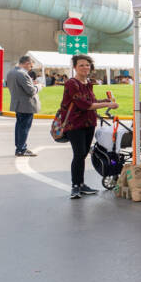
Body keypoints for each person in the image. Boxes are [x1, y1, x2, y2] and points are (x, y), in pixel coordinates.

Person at [59, 54, 119, 199]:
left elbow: (91, 101)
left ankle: (81, 185)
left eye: (87, 65)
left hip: (89, 123)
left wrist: (107, 100)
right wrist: (107, 104)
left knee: (83, 154)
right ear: (75, 67)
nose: (85, 67)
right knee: (79, 154)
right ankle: (75, 186)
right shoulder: (72, 83)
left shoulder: (88, 83)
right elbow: (84, 105)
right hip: (75, 124)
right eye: (81, 65)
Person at [6, 55, 40, 157]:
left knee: (19, 127)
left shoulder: (11, 72)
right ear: (27, 63)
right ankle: (21, 149)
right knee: (24, 128)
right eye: (31, 65)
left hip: (18, 103)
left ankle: (20, 147)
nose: (31, 67)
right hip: (26, 105)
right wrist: (38, 86)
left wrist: (31, 84)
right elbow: (31, 91)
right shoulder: (22, 74)